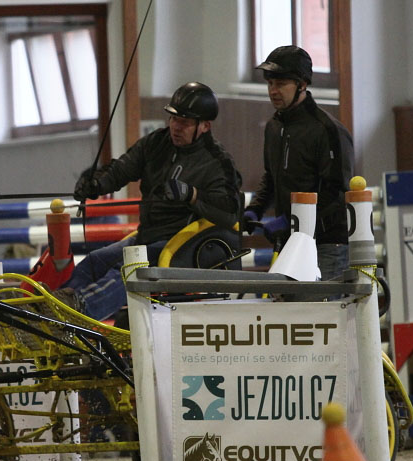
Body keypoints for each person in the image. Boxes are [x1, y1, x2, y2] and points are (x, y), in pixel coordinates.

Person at [65, 82, 242, 321]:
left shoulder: (218, 162)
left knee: (130, 271)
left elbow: (230, 211)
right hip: (147, 237)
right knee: (95, 261)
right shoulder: (155, 143)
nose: (176, 127)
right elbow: (121, 169)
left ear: (205, 126)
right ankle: (57, 304)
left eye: (185, 122)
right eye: (173, 119)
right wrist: (96, 184)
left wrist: (191, 194)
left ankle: (76, 313)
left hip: (181, 247)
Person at [243, 45, 355, 281]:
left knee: (324, 312)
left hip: (327, 243)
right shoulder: (274, 127)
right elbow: (271, 177)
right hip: (291, 240)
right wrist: (255, 209)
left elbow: (335, 193)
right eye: (270, 83)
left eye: (281, 84)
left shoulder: (328, 130)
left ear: (302, 84)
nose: (273, 91)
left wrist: (293, 220)